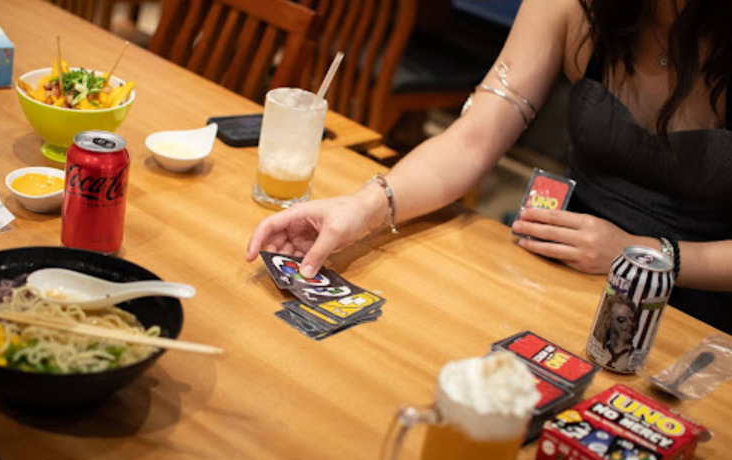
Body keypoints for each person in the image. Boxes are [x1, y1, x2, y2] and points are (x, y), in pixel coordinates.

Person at [247, 0, 732, 333]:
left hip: (699, 302)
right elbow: (474, 138)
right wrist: (365, 207)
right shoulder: (578, 8)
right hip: (561, 269)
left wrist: (641, 254)